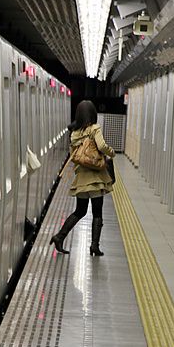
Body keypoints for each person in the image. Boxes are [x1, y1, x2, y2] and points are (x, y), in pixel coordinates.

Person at [50, 100, 115, 257]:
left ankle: (59, 237)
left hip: (81, 178)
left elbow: (74, 156)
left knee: (80, 211)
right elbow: (102, 146)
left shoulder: (74, 133)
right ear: (92, 114)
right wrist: (111, 152)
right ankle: (94, 246)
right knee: (97, 213)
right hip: (96, 178)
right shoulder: (94, 129)